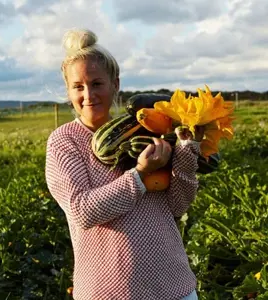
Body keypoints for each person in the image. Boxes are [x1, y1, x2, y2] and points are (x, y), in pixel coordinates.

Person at [45, 28, 204, 300]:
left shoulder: (149, 129)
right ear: (68, 91)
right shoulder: (64, 141)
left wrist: (188, 149)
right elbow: (82, 211)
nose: (88, 95)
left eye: (97, 84)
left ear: (115, 84)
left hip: (174, 285)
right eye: (78, 86)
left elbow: (179, 204)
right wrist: (141, 174)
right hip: (108, 291)